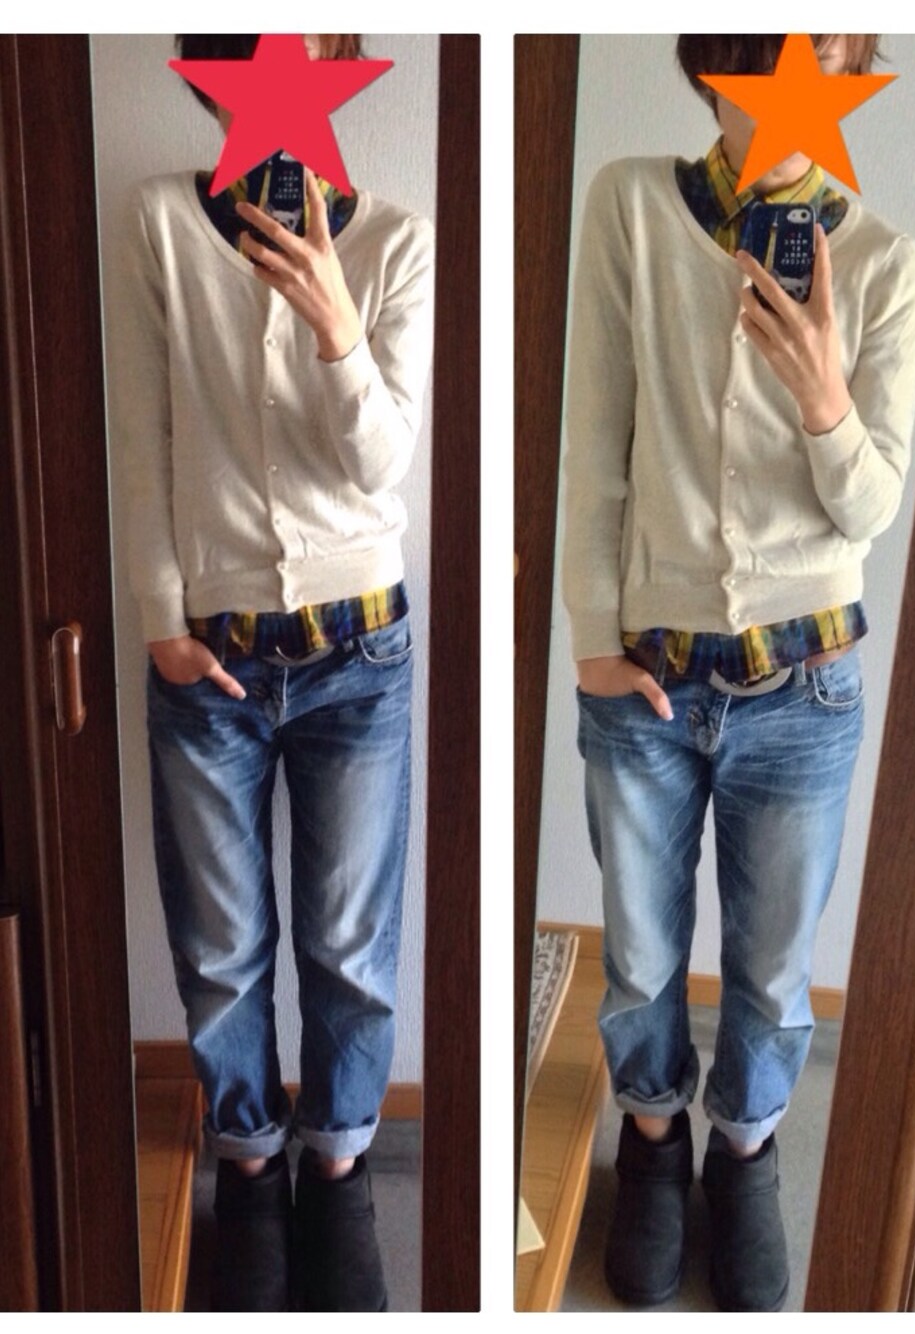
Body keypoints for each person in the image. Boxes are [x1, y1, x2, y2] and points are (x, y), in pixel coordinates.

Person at [563, 34, 915, 1312]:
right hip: (647, 680)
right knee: (641, 954)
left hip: (804, 688)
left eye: (826, 41)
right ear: (712, 54)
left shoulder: (882, 264)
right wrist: (591, 639)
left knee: (772, 970)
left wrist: (824, 395)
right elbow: (595, 439)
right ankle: (653, 1146)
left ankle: (747, 1152)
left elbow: (868, 510)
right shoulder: (628, 204)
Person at [116, 33, 434, 1312]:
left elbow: (381, 465)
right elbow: (139, 427)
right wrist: (158, 615)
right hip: (211, 655)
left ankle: (339, 1166)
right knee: (221, 943)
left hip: (361, 651)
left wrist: (336, 325)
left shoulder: (396, 240)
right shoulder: (158, 221)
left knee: (350, 943)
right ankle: (248, 1165)